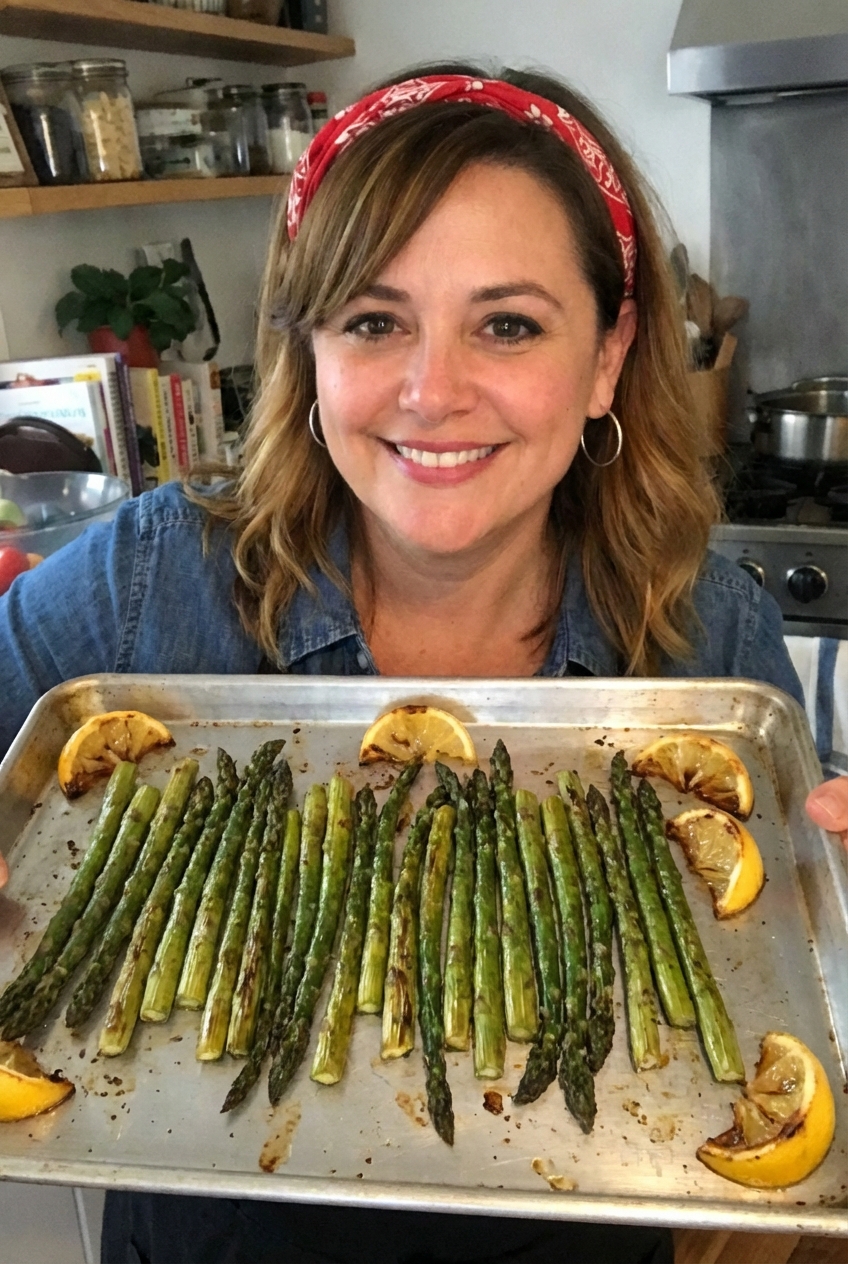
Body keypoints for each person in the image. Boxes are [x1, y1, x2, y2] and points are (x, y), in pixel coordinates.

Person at [0, 63, 846, 1264]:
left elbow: (790, 974)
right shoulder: (149, 584)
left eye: (507, 323)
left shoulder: (708, 641)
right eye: (373, 320)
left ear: (606, 356)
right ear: (309, 353)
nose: (430, 391)